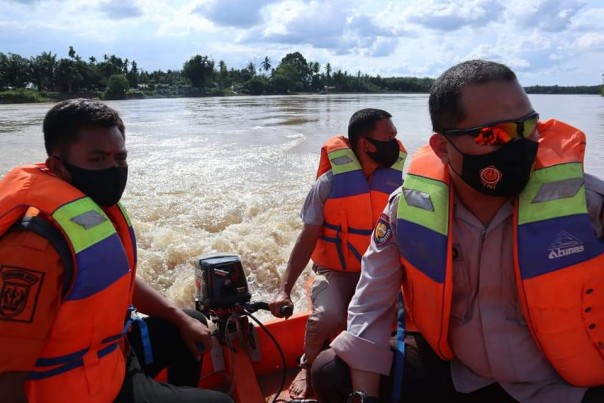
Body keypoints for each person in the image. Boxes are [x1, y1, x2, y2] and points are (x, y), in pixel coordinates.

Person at [311, 59, 604, 403]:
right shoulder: (407, 209)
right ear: (442, 148)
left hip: (560, 384)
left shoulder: (587, 205)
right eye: (494, 134)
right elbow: (371, 304)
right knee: (330, 372)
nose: (520, 144)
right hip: (461, 373)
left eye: (528, 127)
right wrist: (365, 396)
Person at [0, 99, 233, 403]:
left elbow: (109, 277)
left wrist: (178, 317)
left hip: (111, 358)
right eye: (98, 160)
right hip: (76, 389)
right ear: (57, 165)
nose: (113, 169)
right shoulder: (33, 246)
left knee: (190, 325)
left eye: (120, 158)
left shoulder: (90, 211)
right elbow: (6, 374)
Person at [269, 108, 407, 399]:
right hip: (335, 271)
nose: (395, 143)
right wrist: (284, 291)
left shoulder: (398, 186)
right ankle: (307, 366)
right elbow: (306, 239)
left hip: (379, 270)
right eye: (388, 137)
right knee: (328, 316)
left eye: (395, 136)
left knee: (408, 312)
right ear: (365, 144)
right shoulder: (329, 184)